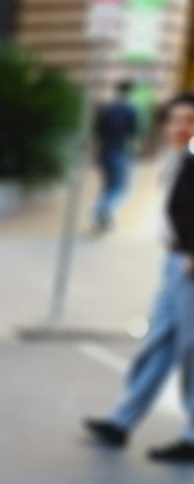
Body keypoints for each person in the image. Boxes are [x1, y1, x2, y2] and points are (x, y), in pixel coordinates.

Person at [85, 92, 194, 462]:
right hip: (174, 263)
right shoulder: (175, 159)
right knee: (159, 344)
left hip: (190, 263)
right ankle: (122, 421)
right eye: (177, 121)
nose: (182, 128)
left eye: (190, 121)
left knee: (191, 349)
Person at [92, 79, 139, 234]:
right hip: (119, 151)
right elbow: (133, 133)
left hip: (104, 151)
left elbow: (97, 131)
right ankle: (103, 210)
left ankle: (100, 211)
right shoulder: (129, 109)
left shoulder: (107, 108)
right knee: (120, 188)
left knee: (108, 186)